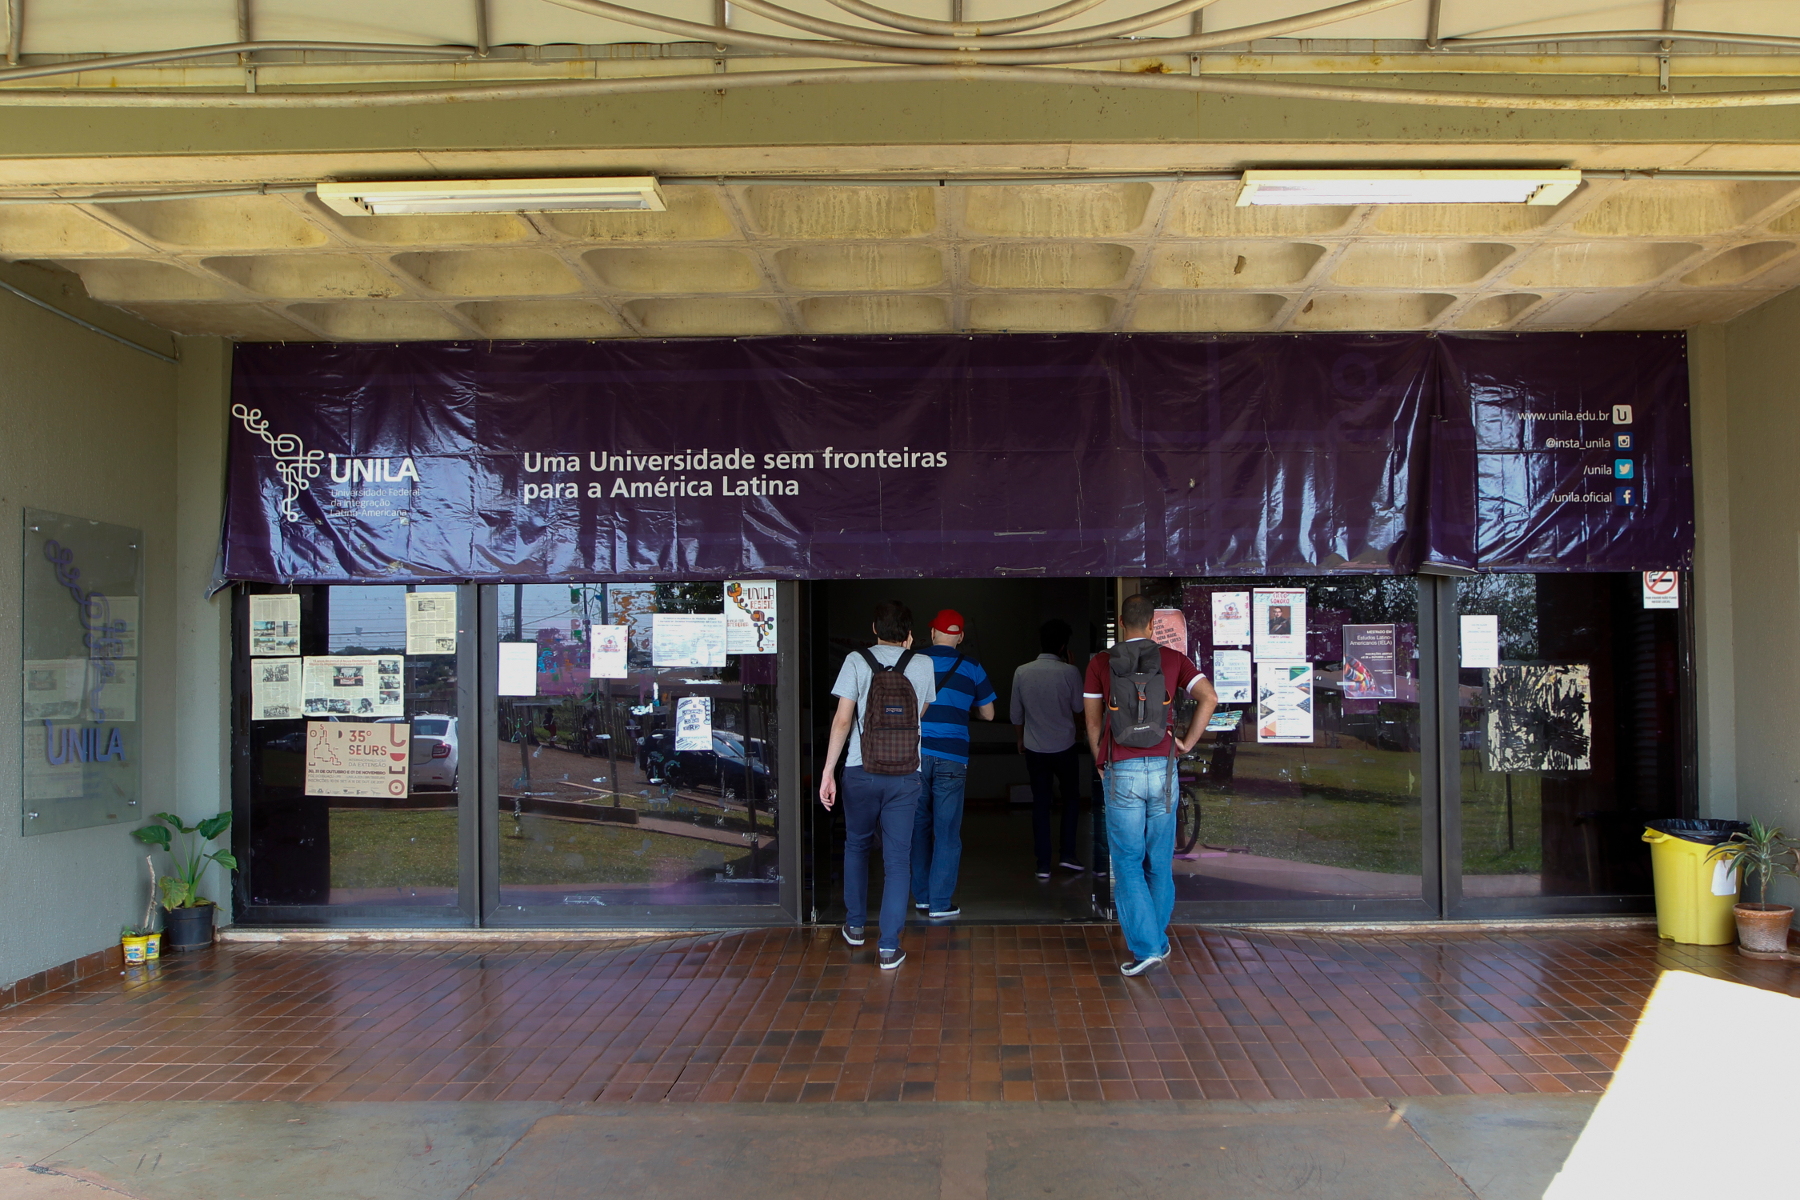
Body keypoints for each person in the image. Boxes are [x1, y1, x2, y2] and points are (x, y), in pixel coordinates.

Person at [1083, 594, 1218, 977]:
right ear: (1151, 624)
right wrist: (1187, 743)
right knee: (1158, 862)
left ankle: (1147, 947)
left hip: (1121, 768)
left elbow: (1093, 723)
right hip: (1163, 769)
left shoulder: (1100, 663)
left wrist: (1101, 762)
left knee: (1126, 862)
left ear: (1122, 623)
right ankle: (1155, 941)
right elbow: (1209, 697)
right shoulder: (1173, 660)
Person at [819, 600, 938, 970]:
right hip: (904, 775)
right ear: (909, 633)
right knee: (897, 859)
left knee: (855, 845)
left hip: (860, 770)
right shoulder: (922, 664)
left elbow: (842, 721)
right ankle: (888, 947)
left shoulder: (856, 661)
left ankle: (855, 926)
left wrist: (828, 771)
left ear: (874, 628)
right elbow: (920, 713)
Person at [911, 609, 997, 919]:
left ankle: (921, 897)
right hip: (953, 758)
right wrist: (968, 710)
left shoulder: (915, 662)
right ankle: (940, 903)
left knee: (918, 827)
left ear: (932, 633)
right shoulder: (972, 666)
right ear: (960, 637)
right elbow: (988, 713)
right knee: (946, 831)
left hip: (916, 756)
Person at [1012, 618, 1087, 881]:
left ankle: (1042, 863)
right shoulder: (1069, 672)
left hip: (1034, 747)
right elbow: (1079, 707)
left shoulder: (1022, 671)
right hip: (1065, 746)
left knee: (1041, 804)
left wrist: (1020, 740)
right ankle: (1067, 854)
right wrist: (1073, 668)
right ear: (1064, 647)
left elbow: (1016, 714)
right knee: (1071, 799)